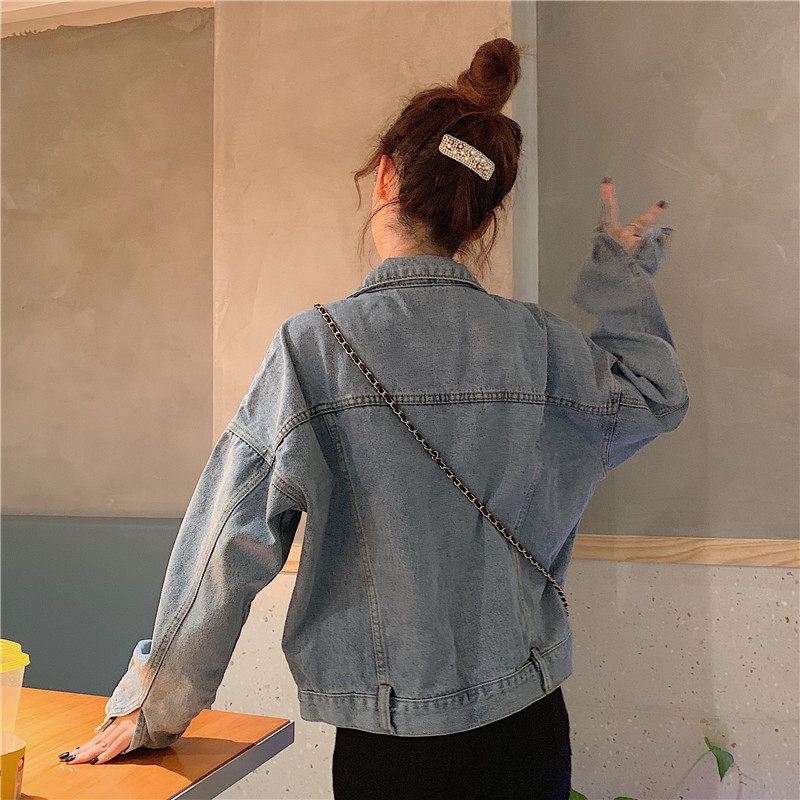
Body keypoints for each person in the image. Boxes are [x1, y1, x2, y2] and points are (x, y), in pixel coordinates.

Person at [61, 38, 689, 800]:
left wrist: (154, 709)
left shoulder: (313, 349)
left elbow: (229, 542)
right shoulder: (543, 347)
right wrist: (621, 275)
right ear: (482, 221)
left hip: (392, 748)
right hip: (528, 727)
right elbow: (656, 395)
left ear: (385, 177)